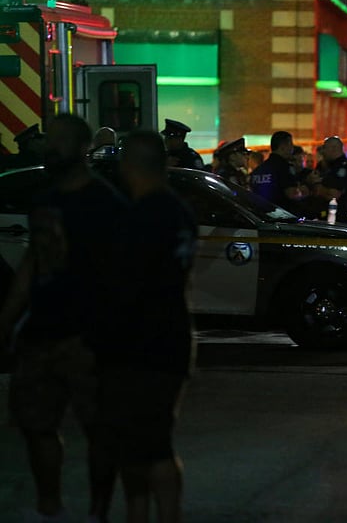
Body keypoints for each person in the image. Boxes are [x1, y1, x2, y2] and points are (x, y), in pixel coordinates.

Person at [0, 114, 124, 522]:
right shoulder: (45, 198)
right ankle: (49, 504)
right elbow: (33, 264)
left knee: (99, 431)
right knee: (35, 424)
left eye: (57, 141)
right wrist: (8, 320)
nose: (47, 148)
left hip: (90, 337)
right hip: (42, 334)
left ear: (81, 148)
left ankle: (98, 510)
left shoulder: (104, 203)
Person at [98, 129, 197, 523]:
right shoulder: (179, 211)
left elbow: (124, 285)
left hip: (140, 343)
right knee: (145, 443)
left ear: (130, 165)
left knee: (148, 445)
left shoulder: (140, 216)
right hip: (170, 337)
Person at [250, 131, 310, 212]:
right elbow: (293, 194)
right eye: (291, 144)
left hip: (260, 216)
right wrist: (307, 187)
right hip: (281, 216)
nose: (292, 148)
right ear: (283, 146)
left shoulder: (259, 170)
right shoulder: (283, 167)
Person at [315, 136, 347, 224]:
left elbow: (333, 195)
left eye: (325, 148)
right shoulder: (325, 166)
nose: (323, 152)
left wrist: (317, 187)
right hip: (324, 219)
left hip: (339, 221)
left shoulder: (345, 168)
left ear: (334, 148)